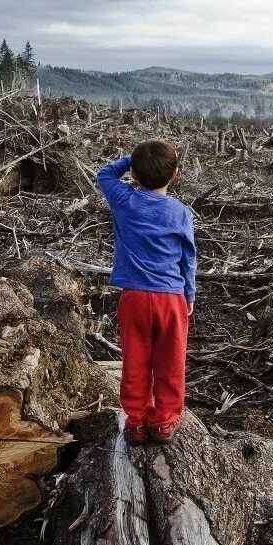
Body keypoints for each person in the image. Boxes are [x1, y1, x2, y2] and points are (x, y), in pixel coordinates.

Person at [97, 140, 196, 445]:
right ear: (175, 174)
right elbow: (187, 259)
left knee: (135, 362)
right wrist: (189, 296)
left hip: (135, 298)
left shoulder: (124, 200)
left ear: (135, 176)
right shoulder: (180, 212)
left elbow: (104, 175)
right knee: (171, 361)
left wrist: (131, 160)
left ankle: (136, 424)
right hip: (171, 299)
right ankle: (164, 422)